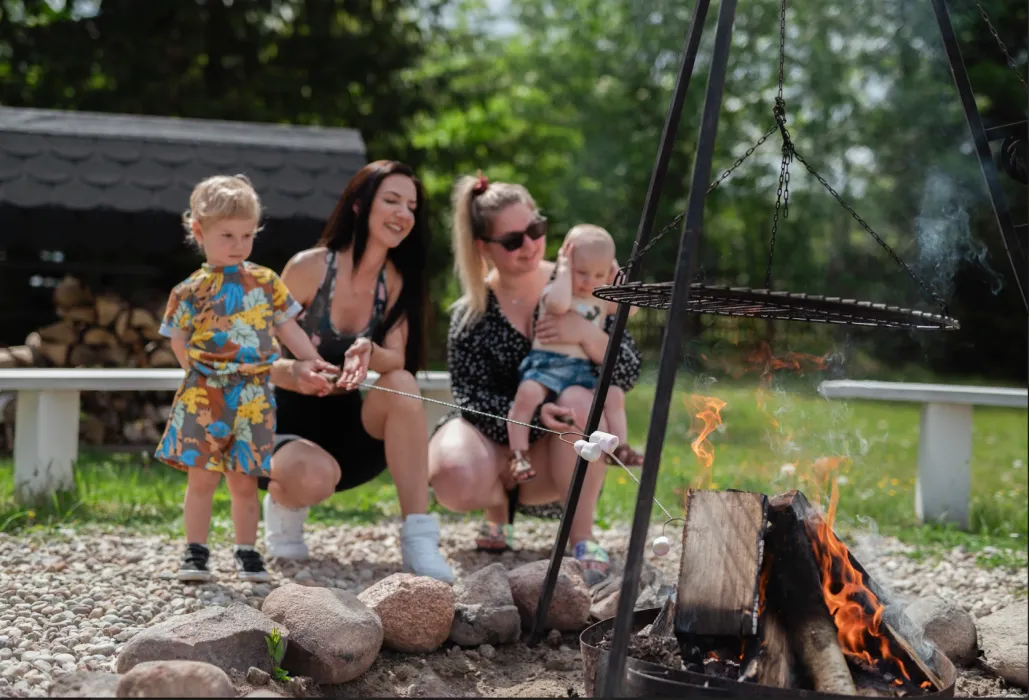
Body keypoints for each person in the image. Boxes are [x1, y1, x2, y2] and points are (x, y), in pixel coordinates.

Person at [427, 171, 643, 579]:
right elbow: (470, 398)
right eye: (512, 240)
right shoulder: (471, 312)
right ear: (484, 248)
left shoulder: (585, 282)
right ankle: (499, 505)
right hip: (499, 439)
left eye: (534, 229)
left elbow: (628, 370)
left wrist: (584, 333)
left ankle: (582, 534)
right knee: (453, 476)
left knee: (581, 399)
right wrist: (534, 412)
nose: (528, 245)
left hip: (562, 444)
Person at [257, 160, 455, 584]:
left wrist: (369, 350)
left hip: (348, 431)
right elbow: (255, 358)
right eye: (392, 200)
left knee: (402, 383)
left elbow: (397, 361)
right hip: (281, 425)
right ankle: (284, 502)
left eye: (412, 206)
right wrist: (294, 371)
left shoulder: (396, 281)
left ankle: (418, 534)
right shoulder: (310, 267)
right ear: (359, 206)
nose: (404, 213)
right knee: (314, 477)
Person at [155, 174, 325, 583]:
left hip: (253, 394)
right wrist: (196, 374)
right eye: (227, 235)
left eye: (247, 235)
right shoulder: (189, 289)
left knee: (244, 480)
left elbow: (289, 330)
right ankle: (195, 552)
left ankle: (247, 552)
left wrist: (314, 360)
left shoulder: (266, 282)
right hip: (204, 393)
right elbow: (177, 337)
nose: (238, 244)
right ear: (199, 232)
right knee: (202, 478)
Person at [506, 224, 642, 483]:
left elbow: (630, 311)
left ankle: (619, 448)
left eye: (598, 274)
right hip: (546, 365)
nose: (589, 281)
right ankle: (519, 454)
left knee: (614, 394)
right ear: (566, 263)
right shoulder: (555, 290)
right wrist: (564, 271)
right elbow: (558, 305)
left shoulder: (600, 298)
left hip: (581, 370)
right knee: (527, 395)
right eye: (581, 272)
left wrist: (617, 281)